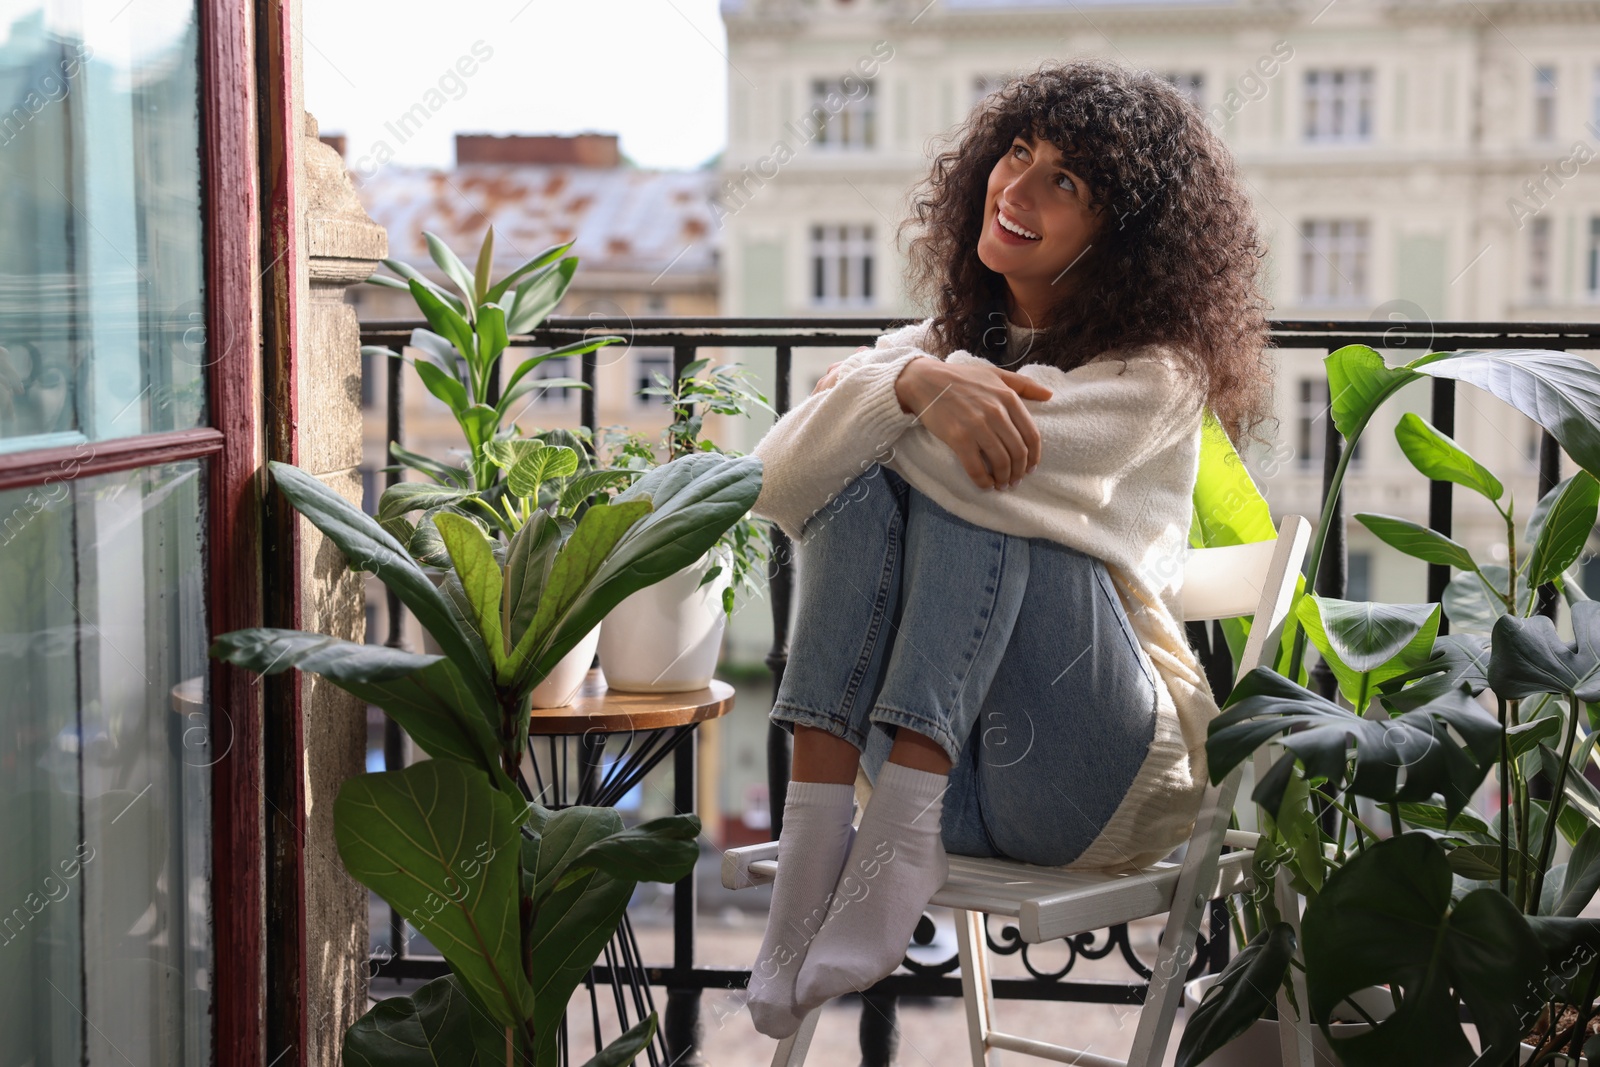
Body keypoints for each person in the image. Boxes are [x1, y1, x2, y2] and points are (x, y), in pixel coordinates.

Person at [740, 58, 1277, 1040]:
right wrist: (914, 387)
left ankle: (888, 838)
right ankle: (819, 838)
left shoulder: (1156, 374)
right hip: (950, 787)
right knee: (894, 454)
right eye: (1017, 151)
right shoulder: (930, 346)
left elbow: (982, 467)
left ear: (1122, 236)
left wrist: (893, 394)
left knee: (977, 459)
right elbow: (773, 485)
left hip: (1090, 779)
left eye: (1064, 182)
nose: (1016, 187)